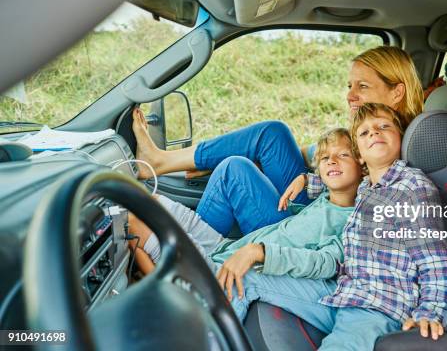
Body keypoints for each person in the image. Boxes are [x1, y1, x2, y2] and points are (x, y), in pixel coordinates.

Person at [229, 103, 447, 350]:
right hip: (343, 293)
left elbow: (435, 260)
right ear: (360, 155)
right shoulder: (366, 186)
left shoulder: (413, 188)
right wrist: (307, 180)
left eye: (384, 127)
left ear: (402, 140)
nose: (374, 133)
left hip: (378, 307)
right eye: (364, 133)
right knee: (244, 277)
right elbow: (339, 176)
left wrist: (430, 311)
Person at [131, 46, 424, 236]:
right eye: (349, 86)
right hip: (315, 200)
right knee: (273, 133)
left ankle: (191, 259)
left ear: (396, 92)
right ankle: (163, 163)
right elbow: (311, 153)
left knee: (233, 171)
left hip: (315, 226)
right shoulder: (370, 129)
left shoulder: (391, 144)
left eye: (363, 86)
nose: (350, 96)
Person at [128, 128, 362, 298]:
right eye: (324, 159)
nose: (332, 161)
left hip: (220, 271)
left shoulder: (355, 221)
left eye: (343, 155)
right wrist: (304, 178)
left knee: (131, 223)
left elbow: (325, 263)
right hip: (225, 247)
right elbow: (326, 170)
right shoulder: (323, 197)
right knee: (144, 201)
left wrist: (260, 253)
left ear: (363, 166)